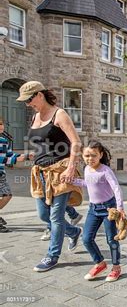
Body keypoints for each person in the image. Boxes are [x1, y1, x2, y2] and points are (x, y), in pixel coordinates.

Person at [18, 81, 83, 272]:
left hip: (60, 172)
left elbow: (76, 142)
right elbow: (42, 144)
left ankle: (52, 256)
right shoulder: (35, 117)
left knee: (55, 216)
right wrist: (30, 154)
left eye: (29, 100)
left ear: (40, 95)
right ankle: (74, 231)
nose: (28, 104)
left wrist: (71, 168)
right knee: (43, 214)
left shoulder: (59, 114)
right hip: (40, 172)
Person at [71, 141, 124, 282]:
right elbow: (88, 184)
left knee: (111, 240)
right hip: (93, 209)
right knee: (86, 239)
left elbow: (116, 189)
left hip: (109, 209)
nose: (90, 158)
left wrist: (120, 208)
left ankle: (116, 268)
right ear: (82, 155)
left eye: (94, 155)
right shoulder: (87, 169)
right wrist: (73, 181)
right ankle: (100, 263)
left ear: (101, 155)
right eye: (87, 155)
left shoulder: (105, 170)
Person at [0, 121, 28, 232]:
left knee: (7, 195)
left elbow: (10, 154)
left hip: (1, 174)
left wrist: (24, 156)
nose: (1, 127)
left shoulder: (3, 141)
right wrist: (15, 160)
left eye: (1, 124)